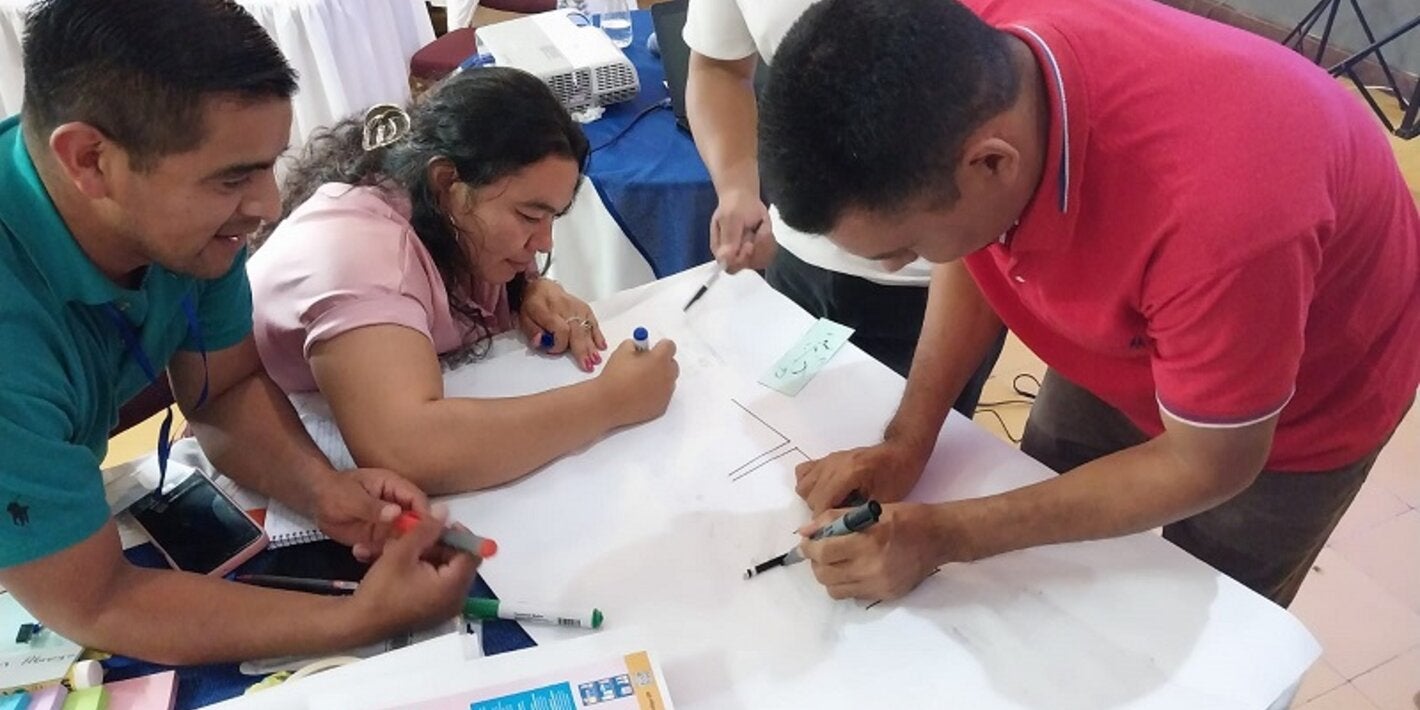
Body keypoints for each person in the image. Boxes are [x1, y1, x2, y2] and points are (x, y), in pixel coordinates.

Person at [761, 0, 1420, 606]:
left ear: (991, 164)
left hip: (1304, 404)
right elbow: (972, 249)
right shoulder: (966, 61)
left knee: (1207, 614)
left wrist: (946, 536)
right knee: (1045, 544)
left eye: (901, 246)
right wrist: (907, 444)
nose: (896, 267)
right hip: (1159, 306)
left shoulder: (1222, 218)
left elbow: (1210, 462)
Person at [0, 0, 478, 664]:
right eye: (233, 178)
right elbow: (98, 602)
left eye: (268, 164)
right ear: (89, 160)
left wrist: (323, 489)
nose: (267, 208)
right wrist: (358, 619)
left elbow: (223, 389)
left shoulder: (184, 228)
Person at [248, 68, 679, 495]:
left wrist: (523, 290)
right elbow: (407, 450)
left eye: (553, 218)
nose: (544, 243)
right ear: (446, 182)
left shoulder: (446, 214)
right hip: (278, 468)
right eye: (529, 216)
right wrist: (608, 402)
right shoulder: (359, 252)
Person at [682, 0, 1004, 408]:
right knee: (785, 426)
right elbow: (718, 66)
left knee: (917, 451)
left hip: (944, 282)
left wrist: (911, 440)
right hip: (799, 259)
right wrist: (736, 187)